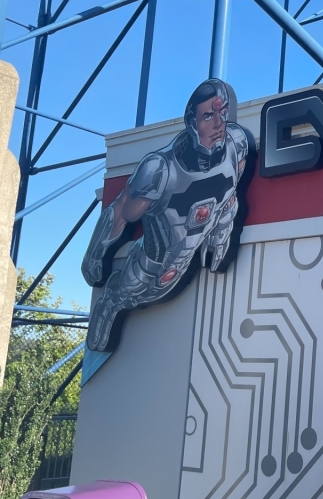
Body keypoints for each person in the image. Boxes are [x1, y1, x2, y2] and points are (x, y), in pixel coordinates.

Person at [81, 78, 253, 353]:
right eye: (208, 115)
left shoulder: (238, 143)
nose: (219, 123)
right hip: (153, 258)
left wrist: (221, 231)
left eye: (222, 114)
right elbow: (120, 212)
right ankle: (108, 306)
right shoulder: (159, 169)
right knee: (127, 294)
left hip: (195, 251)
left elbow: (230, 192)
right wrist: (94, 255)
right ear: (191, 122)